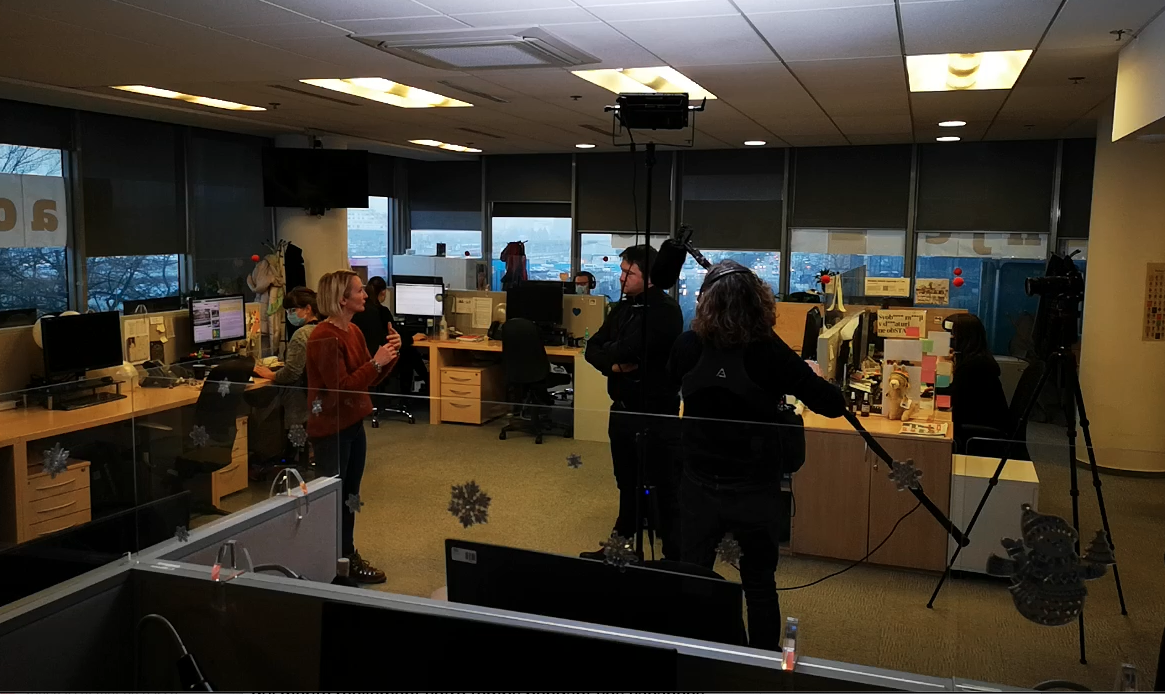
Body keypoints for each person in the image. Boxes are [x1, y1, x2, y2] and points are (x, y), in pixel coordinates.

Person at [667, 260, 847, 651]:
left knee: (693, 576)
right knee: (760, 584)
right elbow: (832, 405)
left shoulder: (687, 345)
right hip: (753, 487)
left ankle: (694, 654)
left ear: (705, 301)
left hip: (698, 482)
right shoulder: (769, 351)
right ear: (758, 303)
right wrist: (815, 378)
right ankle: (761, 665)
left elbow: (664, 397)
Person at [582, 245, 683, 560]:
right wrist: (613, 365)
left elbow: (629, 351)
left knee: (662, 487)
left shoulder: (665, 311)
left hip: (654, 414)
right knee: (626, 484)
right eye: (622, 271)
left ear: (649, 277)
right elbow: (593, 348)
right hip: (623, 410)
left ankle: (673, 559)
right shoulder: (624, 307)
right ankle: (621, 546)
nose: (622, 278)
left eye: (630, 272)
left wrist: (613, 355)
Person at [306, 269, 400, 584]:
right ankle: (330, 564)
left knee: (349, 497)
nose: (365, 295)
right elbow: (341, 389)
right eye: (359, 291)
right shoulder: (324, 337)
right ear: (342, 299)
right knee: (333, 501)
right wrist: (376, 362)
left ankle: (345, 556)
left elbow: (367, 380)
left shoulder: (353, 331)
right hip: (332, 430)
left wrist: (390, 355)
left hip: (353, 425)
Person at [250, 287, 320, 474]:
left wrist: (270, 374)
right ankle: (299, 454)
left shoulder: (301, 335)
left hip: (299, 401)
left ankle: (267, 458)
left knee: (257, 408)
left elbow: (291, 374)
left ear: (308, 309)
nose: (289, 315)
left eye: (292, 310)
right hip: (317, 399)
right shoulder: (323, 329)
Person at [352, 276, 429, 397]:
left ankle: (418, 390)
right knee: (410, 352)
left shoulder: (359, 310)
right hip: (379, 358)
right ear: (383, 292)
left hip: (365, 359)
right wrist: (411, 338)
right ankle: (425, 387)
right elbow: (393, 335)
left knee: (409, 351)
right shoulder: (381, 311)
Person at [946, 313, 1010, 452]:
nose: (950, 340)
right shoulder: (979, 358)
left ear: (963, 338)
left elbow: (952, 398)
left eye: (953, 336)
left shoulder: (974, 366)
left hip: (978, 431)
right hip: (980, 421)